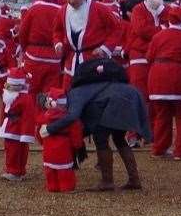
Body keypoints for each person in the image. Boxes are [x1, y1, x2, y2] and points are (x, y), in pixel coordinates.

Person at [48, 56, 149, 191]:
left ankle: (107, 181)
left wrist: (50, 128)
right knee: (119, 139)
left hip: (113, 102)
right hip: (130, 94)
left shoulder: (75, 93)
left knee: (100, 139)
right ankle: (134, 179)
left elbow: (73, 115)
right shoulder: (105, 84)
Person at [146, 3, 181, 160]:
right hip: (180, 78)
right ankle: (180, 151)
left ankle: (159, 148)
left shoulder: (158, 36)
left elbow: (149, 57)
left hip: (158, 78)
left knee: (162, 114)